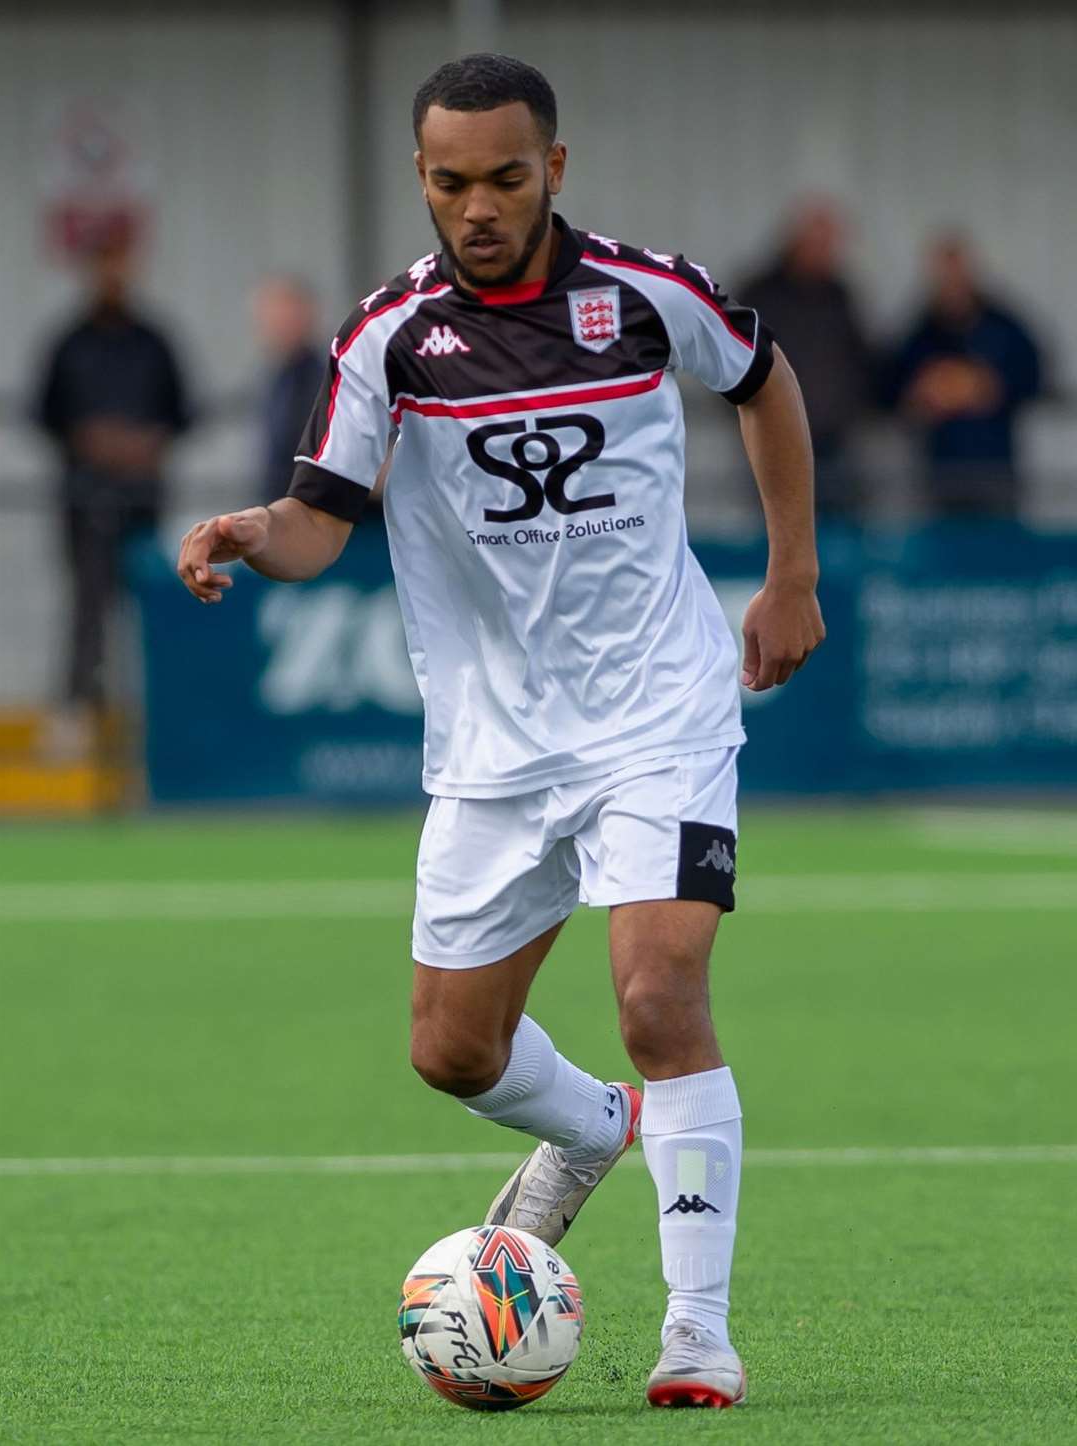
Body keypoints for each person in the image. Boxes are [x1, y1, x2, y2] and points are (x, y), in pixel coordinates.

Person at [178, 54, 824, 1409]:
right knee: (452, 1051)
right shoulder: (388, 341)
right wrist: (251, 532)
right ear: (422, 177)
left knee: (659, 993)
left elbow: (764, 381)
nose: (478, 206)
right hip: (495, 745)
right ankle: (591, 1128)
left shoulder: (644, 296)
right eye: (452, 181)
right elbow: (318, 518)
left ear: (555, 170)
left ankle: (697, 1334)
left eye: (506, 178)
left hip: (660, 707)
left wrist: (792, 575)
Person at [35, 233, 189, 740]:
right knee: (89, 607)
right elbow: (47, 414)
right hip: (85, 500)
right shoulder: (69, 341)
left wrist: (144, 444)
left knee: (152, 600)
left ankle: (156, 715)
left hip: (143, 500)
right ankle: (79, 714)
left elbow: (181, 412)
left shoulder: (154, 341)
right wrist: (92, 441)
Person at [883, 233, 1042, 518]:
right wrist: (921, 397)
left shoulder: (1003, 326)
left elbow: (1033, 377)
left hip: (994, 467)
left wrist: (988, 387)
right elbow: (890, 390)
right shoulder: (919, 334)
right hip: (940, 471)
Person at [739, 199, 873, 518]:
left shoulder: (841, 296)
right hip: (773, 435)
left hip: (834, 439)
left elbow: (863, 360)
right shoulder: (761, 294)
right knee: (777, 527)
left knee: (837, 529)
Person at [252, 275, 324, 504]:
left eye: (288, 316)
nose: (280, 325)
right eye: (274, 317)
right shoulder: (274, 378)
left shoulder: (323, 378)